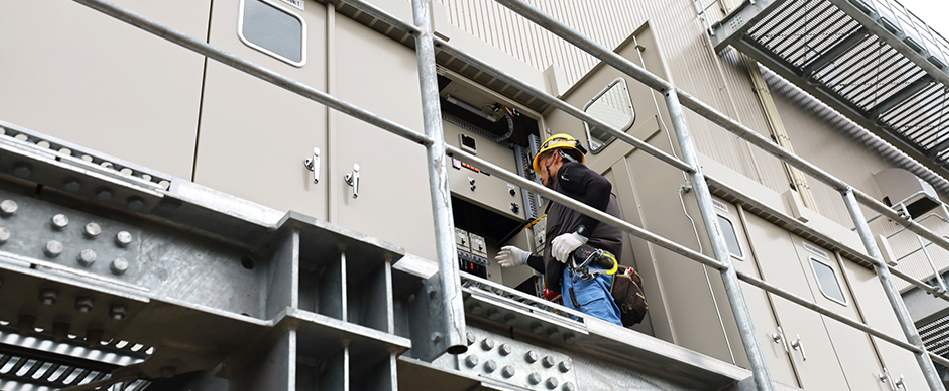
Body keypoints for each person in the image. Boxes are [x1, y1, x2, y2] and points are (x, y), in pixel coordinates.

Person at [495, 133, 624, 326]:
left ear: (556, 156)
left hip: (584, 273)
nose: (539, 176)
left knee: (602, 335)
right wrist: (525, 257)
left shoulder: (567, 172)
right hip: (585, 272)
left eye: (542, 165)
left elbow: (601, 185)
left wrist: (580, 235)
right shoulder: (572, 199)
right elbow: (559, 259)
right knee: (600, 331)